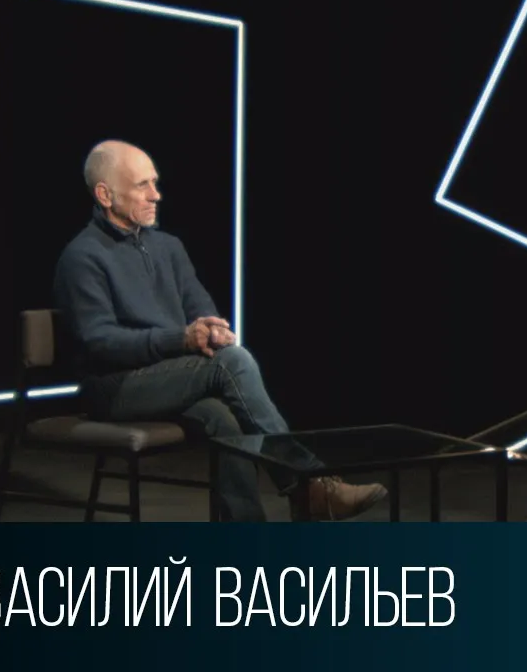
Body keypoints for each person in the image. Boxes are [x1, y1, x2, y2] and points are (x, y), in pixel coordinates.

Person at [54, 140, 388, 522]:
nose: (156, 194)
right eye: (142, 185)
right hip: (114, 388)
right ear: (105, 195)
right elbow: (100, 342)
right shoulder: (82, 257)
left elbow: (199, 304)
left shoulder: (168, 246)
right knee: (233, 363)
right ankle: (310, 484)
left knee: (225, 419)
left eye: (155, 182)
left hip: (168, 377)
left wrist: (212, 330)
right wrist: (180, 339)